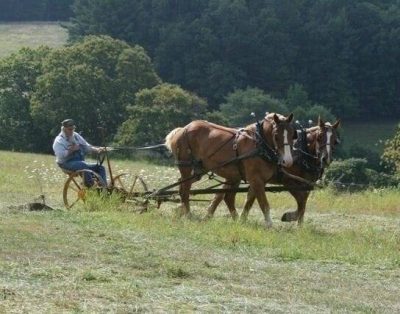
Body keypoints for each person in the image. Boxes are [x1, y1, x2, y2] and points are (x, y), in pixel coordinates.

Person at [53, 119, 107, 186]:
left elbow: (86, 146)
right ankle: (90, 186)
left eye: (73, 129)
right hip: (66, 163)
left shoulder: (76, 135)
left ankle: (104, 188)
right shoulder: (59, 140)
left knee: (101, 167)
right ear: (64, 129)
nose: (72, 131)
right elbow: (60, 155)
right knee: (82, 165)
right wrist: (71, 150)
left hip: (79, 162)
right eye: (70, 129)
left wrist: (97, 149)